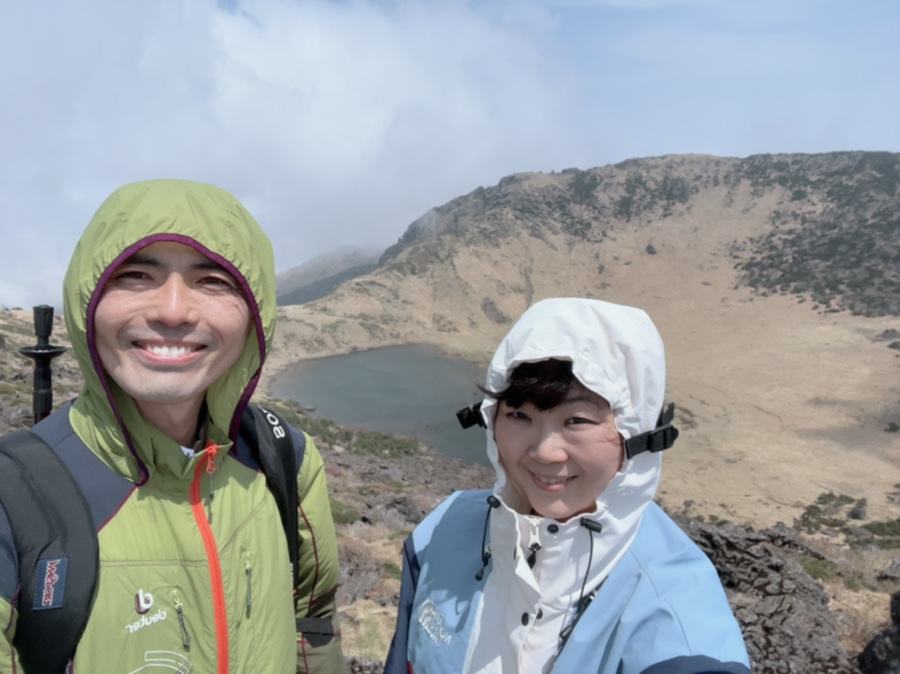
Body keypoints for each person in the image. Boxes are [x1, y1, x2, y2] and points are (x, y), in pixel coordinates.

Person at [0, 179, 347, 673]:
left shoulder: (283, 458)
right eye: (137, 275)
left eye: (213, 282)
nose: (173, 311)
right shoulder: (12, 499)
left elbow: (311, 624)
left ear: (253, 316)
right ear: (87, 304)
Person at [385, 297, 751, 674]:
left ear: (638, 431)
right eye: (517, 414)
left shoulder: (680, 632)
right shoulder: (441, 531)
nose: (545, 452)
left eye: (577, 420)